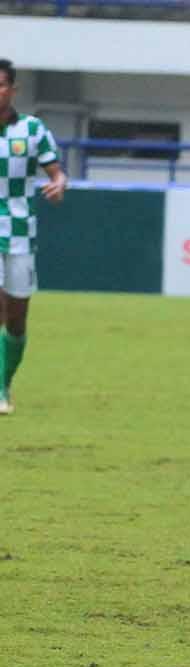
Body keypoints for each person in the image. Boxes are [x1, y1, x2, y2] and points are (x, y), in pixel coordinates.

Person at [0, 59, 68, 416]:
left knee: (16, 320)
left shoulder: (32, 130)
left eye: (0, 85)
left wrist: (58, 185)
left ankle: (4, 383)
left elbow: (57, 173)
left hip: (21, 231)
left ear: (12, 89)